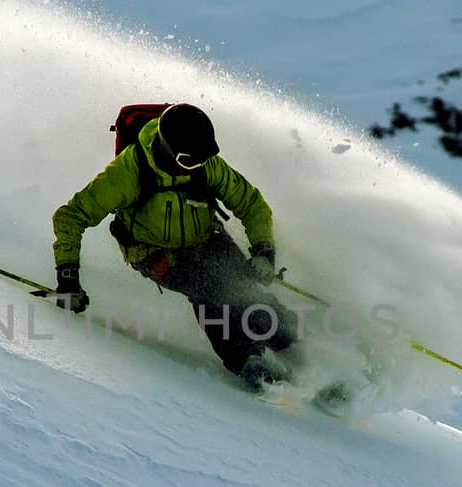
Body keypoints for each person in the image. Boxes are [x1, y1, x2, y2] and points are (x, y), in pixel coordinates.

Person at [51, 103, 299, 389]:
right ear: (169, 151)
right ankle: (247, 359)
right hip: (154, 253)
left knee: (244, 287)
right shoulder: (127, 173)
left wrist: (263, 252)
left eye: (202, 159)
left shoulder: (204, 164)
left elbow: (252, 204)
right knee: (210, 289)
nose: (198, 165)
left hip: (206, 240)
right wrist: (67, 275)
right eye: (190, 160)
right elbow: (70, 217)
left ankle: (292, 342)